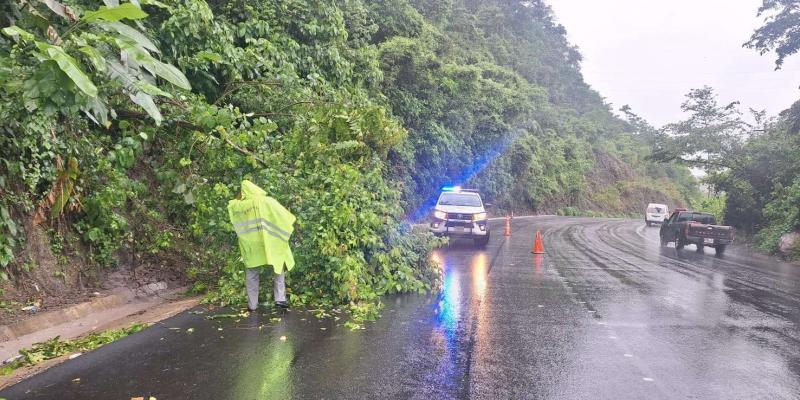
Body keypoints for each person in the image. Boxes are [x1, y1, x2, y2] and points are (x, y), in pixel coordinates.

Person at [227, 180, 296, 311]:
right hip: (268, 241)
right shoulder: (266, 201)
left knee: (252, 273)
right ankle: (280, 298)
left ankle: (252, 305)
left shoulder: (237, 207)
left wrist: (240, 197)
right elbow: (285, 217)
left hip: (250, 245)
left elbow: (232, 204)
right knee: (278, 265)